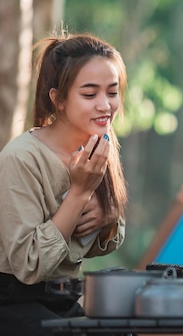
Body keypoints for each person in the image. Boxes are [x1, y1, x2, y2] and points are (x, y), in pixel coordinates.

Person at [0, 33, 128, 335]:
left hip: (65, 298)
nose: (105, 105)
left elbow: (101, 244)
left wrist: (108, 216)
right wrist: (80, 193)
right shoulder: (21, 159)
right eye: (89, 94)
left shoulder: (100, 144)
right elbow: (29, 266)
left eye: (112, 92)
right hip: (14, 302)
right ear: (57, 99)